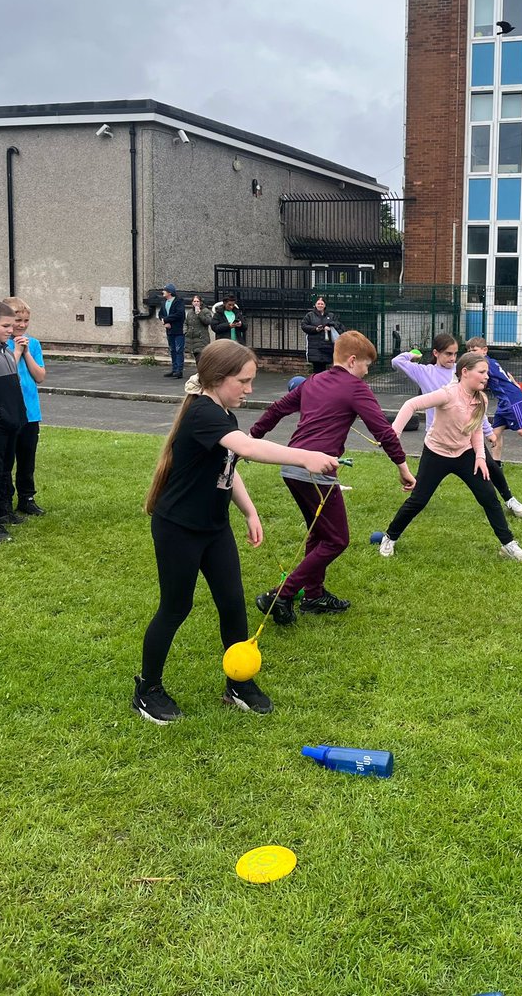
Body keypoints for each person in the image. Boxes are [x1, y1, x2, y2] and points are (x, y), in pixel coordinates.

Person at [134, 340, 340, 724]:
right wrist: (305, 456)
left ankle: (238, 683)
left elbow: (227, 465)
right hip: (178, 528)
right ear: (217, 378)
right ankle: (147, 689)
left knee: (231, 602)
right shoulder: (202, 413)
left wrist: (249, 511)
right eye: (243, 381)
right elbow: (246, 448)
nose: (249, 389)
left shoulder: (223, 414)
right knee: (176, 607)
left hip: (214, 527)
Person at [248, 330, 416, 624]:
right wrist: (403, 467)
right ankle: (281, 595)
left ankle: (313, 596)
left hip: (291, 467)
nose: (366, 373)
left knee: (319, 533)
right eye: (366, 366)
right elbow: (383, 431)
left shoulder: (313, 381)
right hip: (316, 473)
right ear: (352, 361)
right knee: (337, 539)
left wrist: (252, 437)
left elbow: (277, 409)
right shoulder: (355, 388)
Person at [379, 352, 522, 563]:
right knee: (418, 501)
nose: (487, 376)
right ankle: (389, 537)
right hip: (436, 453)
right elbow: (410, 405)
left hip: (465, 454)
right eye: (482, 372)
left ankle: (508, 545)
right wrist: (394, 433)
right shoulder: (447, 394)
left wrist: (480, 457)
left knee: (489, 498)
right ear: (465, 372)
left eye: (487, 372)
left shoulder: (481, 399)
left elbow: (475, 429)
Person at [392, 332, 522, 515]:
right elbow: (397, 362)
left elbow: (475, 406)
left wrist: (488, 431)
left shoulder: (460, 372)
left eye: (455, 354)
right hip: (439, 435)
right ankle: (415, 500)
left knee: (490, 465)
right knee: (425, 480)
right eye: (448, 354)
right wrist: (412, 354)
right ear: (436, 353)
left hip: (467, 435)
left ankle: (510, 499)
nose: (452, 358)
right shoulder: (424, 371)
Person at [465, 336, 522, 482]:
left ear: (484, 350)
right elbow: (507, 375)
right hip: (504, 401)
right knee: (495, 433)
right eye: (469, 351)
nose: (471, 354)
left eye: (474, 350)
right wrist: (513, 383)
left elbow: (482, 382)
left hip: (512, 399)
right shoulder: (490, 362)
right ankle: (496, 466)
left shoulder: (485, 364)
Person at [3, 297, 46, 518]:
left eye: (26, 320)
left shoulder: (34, 344)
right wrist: (17, 351)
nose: (21, 325)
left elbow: (40, 376)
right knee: (6, 460)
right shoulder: (0, 344)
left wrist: (27, 352)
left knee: (27, 458)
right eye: (17, 320)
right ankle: (5, 500)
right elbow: (7, 373)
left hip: (30, 412)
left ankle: (27, 498)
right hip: (9, 412)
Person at [0, 301, 27, 545]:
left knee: (5, 470)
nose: (11, 330)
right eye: (5, 326)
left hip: (11, 424)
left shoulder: (4, 351)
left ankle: (4, 511)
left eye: (12, 326)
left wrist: (18, 416)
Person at [301, 296, 345, 373]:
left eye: (322, 304)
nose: (320, 305)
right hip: (315, 347)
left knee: (326, 370)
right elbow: (304, 326)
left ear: (325, 305)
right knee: (317, 369)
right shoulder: (310, 315)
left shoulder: (331, 316)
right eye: (318, 304)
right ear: (315, 305)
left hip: (327, 347)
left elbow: (339, 326)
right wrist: (315, 329)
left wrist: (330, 327)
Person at [158, 283, 186, 379]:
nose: (163, 292)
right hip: (169, 330)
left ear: (169, 292)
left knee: (179, 350)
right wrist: (164, 322)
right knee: (172, 349)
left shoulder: (179, 301)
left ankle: (179, 371)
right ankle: (174, 369)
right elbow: (160, 314)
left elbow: (179, 314)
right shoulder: (164, 302)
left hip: (178, 330)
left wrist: (166, 319)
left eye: (164, 290)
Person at [184, 294, 213, 365]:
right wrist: (185, 331)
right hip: (192, 339)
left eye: (197, 301)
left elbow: (208, 321)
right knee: (196, 358)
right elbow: (186, 323)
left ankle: (202, 371)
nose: (196, 303)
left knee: (201, 358)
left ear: (200, 302)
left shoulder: (205, 311)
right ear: (192, 303)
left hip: (201, 338)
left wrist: (200, 314)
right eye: (194, 301)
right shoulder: (190, 312)